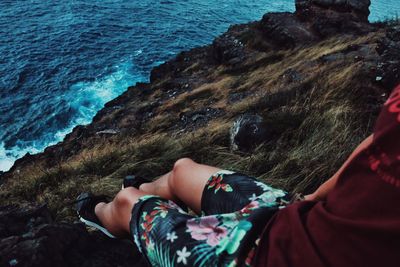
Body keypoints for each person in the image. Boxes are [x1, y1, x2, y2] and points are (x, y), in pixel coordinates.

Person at [76, 84, 400, 267]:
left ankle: (102, 217)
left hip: (259, 260)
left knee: (130, 202)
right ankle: (150, 192)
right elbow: (380, 145)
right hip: (294, 220)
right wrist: (313, 199)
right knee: (182, 170)